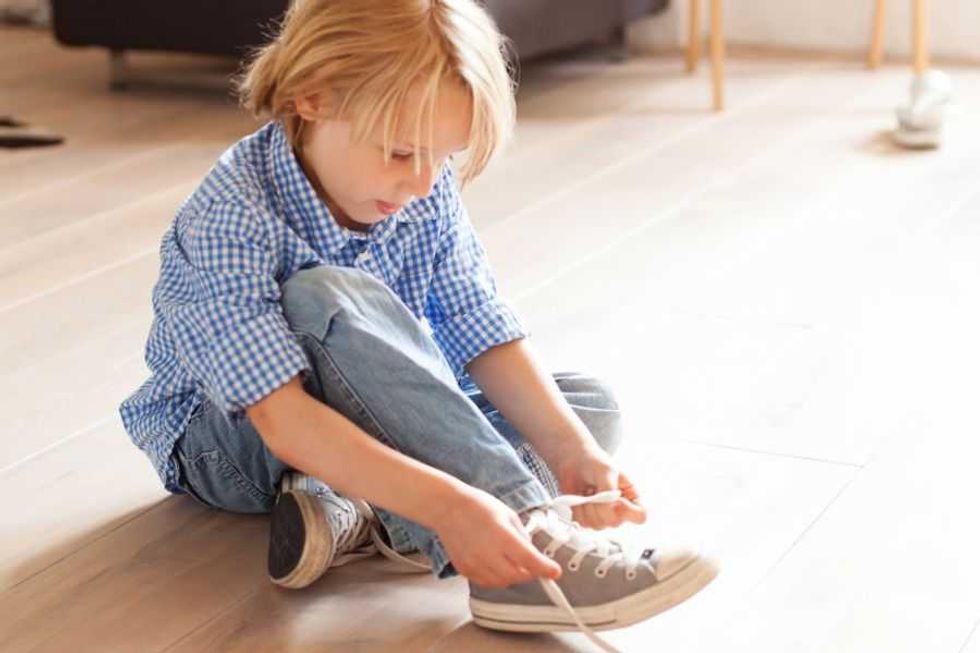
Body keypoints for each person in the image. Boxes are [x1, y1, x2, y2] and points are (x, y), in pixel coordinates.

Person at [118, 0, 718, 648]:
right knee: (325, 296)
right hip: (230, 439)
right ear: (311, 98)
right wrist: (457, 505)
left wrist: (574, 451)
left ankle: (354, 506)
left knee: (585, 409)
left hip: (361, 407)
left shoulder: (422, 184)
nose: (424, 180)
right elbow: (281, 418)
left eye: (442, 156)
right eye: (402, 151)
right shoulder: (230, 215)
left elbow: (472, 320)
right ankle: (523, 552)